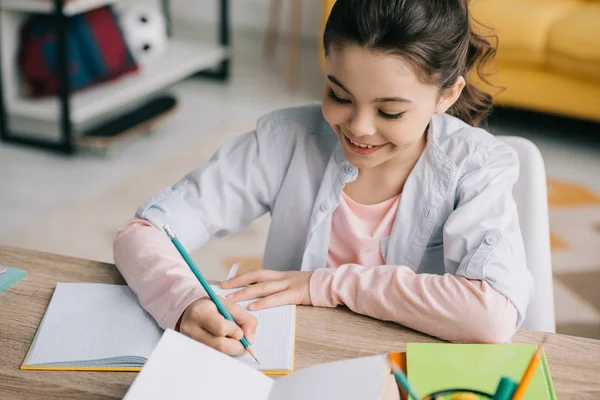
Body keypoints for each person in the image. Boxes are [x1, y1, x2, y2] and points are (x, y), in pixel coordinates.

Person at [114, 0, 534, 357]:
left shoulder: (479, 166)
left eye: (390, 111)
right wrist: (184, 302)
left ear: (448, 94)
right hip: (288, 364)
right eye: (338, 95)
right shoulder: (285, 140)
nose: (359, 128)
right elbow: (145, 232)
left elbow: (492, 314)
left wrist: (326, 285)